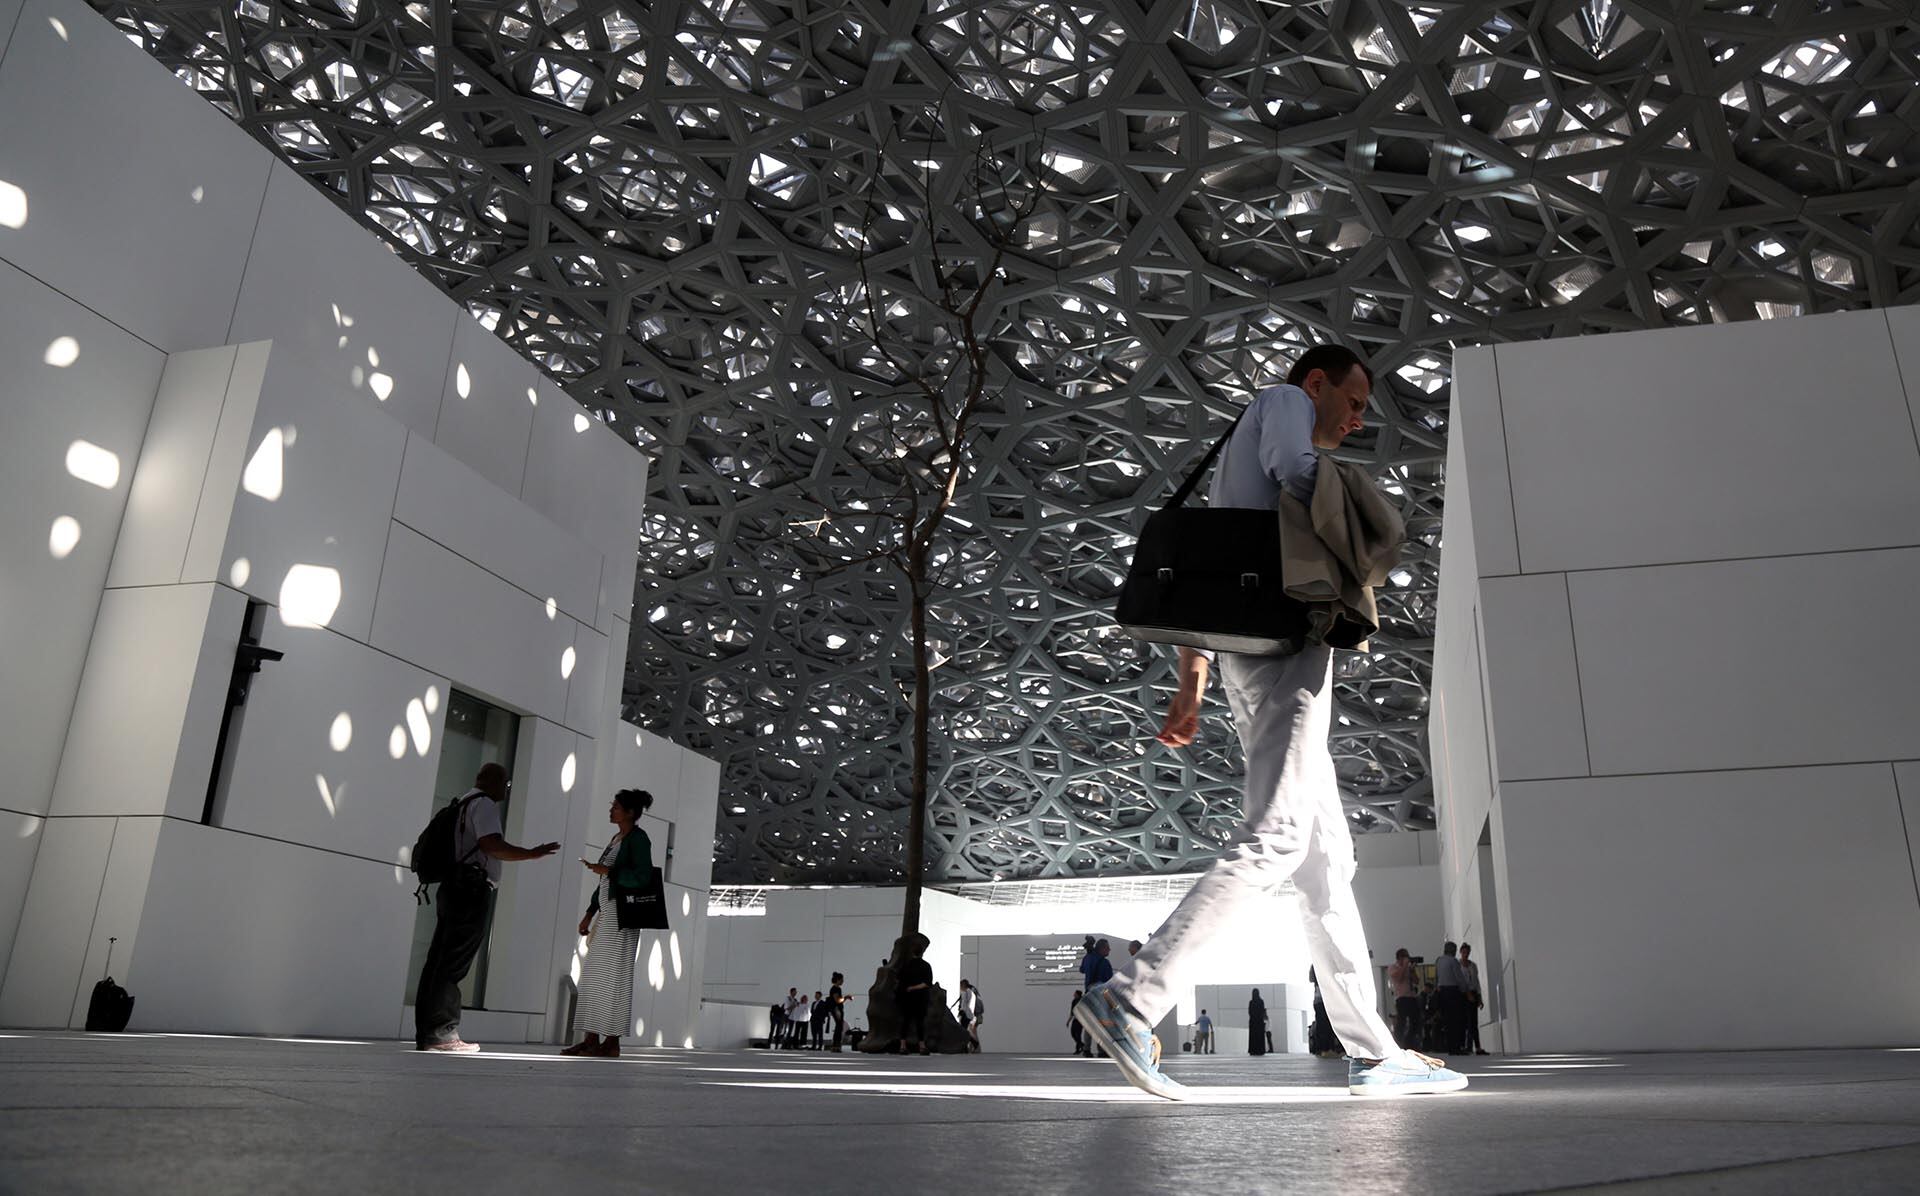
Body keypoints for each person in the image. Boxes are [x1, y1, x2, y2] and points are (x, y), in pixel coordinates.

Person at [1073, 346, 1467, 1100]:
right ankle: (1133, 997)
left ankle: (1374, 1052)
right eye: (1352, 401)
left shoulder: (1245, 469)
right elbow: (1296, 464)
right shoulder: (1282, 404)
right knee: (1279, 837)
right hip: (1287, 648)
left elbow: (1217, 572)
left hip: (1247, 653)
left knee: (1327, 865)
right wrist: (1364, 519)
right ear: (1315, 382)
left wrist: (1189, 689)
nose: (1358, 418)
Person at [414, 763, 559, 1053]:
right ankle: (442, 1034)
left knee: (439, 961)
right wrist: (531, 854)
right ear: (491, 781)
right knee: (454, 962)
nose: (507, 789)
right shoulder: (484, 804)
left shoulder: (463, 803)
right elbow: (491, 845)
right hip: (470, 889)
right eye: (505, 783)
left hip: (452, 887)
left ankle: (429, 1033)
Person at [562, 788, 655, 1058]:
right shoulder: (617, 838)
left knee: (614, 977)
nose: (611, 810)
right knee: (593, 977)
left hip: (623, 916)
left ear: (629, 812)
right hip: (609, 912)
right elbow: (605, 880)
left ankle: (611, 1041)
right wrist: (590, 912)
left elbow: (642, 876)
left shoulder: (638, 839)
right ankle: (592, 1037)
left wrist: (609, 872)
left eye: (615, 807)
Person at [895, 937, 934, 1055]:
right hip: (920, 999)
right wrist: (915, 988)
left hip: (906, 999)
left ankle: (902, 1046)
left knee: (905, 1022)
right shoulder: (926, 966)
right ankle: (922, 1046)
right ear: (922, 952)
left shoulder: (905, 965)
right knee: (920, 1022)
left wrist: (909, 988)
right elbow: (926, 983)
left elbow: (899, 981)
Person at [1435, 941, 1467, 1055]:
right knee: (1456, 1020)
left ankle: (1450, 1047)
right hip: (1453, 991)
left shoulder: (1439, 960)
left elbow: (1437, 977)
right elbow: (1459, 977)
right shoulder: (1453, 961)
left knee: (1447, 1021)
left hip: (1442, 992)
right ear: (1453, 950)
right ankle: (1457, 1047)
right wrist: (1465, 990)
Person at [1459, 943, 1489, 1055]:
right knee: (1465, 1021)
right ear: (1461, 952)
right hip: (1463, 995)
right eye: (1464, 952)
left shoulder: (1473, 966)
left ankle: (1478, 1047)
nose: (1466, 954)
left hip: (1473, 992)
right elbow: (1460, 982)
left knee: (1474, 1022)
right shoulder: (1458, 965)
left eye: (1468, 952)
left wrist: (1479, 997)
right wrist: (1467, 994)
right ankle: (1466, 1046)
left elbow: (1476, 982)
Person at [1388, 948, 1421, 1048]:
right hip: (1401, 998)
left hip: (1411, 997)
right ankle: (1398, 1044)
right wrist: (1404, 967)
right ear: (1400, 958)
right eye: (1405, 957)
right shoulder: (1393, 967)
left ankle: (1409, 1043)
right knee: (1401, 1022)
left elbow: (1417, 981)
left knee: (1416, 1022)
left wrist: (1412, 970)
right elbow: (1399, 978)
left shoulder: (1408, 968)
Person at [954, 979, 984, 1053]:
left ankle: (972, 1044)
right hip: (968, 1015)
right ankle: (968, 1046)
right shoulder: (970, 992)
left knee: (963, 1031)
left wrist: (961, 1012)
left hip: (965, 1014)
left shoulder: (965, 992)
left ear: (962, 985)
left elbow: (964, 1005)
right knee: (964, 1031)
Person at [828, 972, 848, 1052]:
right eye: (842, 980)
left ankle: (836, 1046)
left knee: (839, 1027)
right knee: (839, 1028)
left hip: (837, 1009)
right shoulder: (835, 989)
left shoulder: (836, 989)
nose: (843, 981)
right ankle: (836, 1046)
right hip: (837, 1010)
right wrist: (845, 998)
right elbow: (838, 1000)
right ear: (838, 980)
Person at [1247, 990, 1268, 1057]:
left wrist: (1253, 1017)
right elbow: (1262, 1011)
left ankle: (1253, 1050)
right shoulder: (1261, 1001)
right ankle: (1260, 1050)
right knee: (1260, 1037)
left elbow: (1249, 1012)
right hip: (1259, 1022)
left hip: (1253, 1022)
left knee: (1253, 1037)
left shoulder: (1251, 1002)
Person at [1069, 990, 1088, 1056]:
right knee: (1073, 1033)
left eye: (1075, 993)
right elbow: (1072, 1011)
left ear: (1077, 994)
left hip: (1080, 1020)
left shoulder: (1082, 1000)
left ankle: (1078, 1049)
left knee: (1078, 1035)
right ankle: (1082, 1045)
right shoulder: (1074, 1001)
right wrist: (1069, 1020)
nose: (1073, 994)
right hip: (1075, 1019)